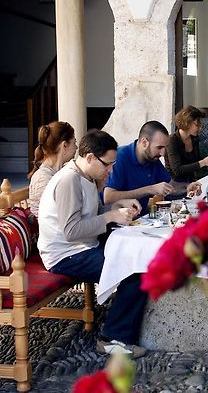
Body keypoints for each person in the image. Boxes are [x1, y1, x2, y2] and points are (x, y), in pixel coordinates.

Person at [37, 129, 147, 358]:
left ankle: (122, 327)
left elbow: (92, 214)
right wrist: (109, 217)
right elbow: (72, 231)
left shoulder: (86, 176)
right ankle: (112, 338)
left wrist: (117, 207)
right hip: (64, 255)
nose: (111, 170)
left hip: (83, 245)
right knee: (133, 273)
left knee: (135, 251)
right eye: (108, 164)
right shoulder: (69, 180)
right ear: (89, 158)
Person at [103, 120, 200, 212]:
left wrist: (187, 187)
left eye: (165, 148)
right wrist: (149, 189)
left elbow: (169, 186)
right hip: (120, 224)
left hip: (144, 220)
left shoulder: (152, 159)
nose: (162, 153)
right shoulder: (120, 157)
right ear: (144, 142)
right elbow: (108, 197)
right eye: (159, 147)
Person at [164, 106, 208, 191]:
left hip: (192, 184)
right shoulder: (172, 140)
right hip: (174, 187)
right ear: (187, 123)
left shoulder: (194, 139)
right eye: (197, 124)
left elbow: (197, 162)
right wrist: (203, 162)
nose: (200, 128)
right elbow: (177, 170)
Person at [28, 121, 77, 218]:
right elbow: (56, 215)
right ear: (64, 145)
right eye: (74, 142)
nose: (76, 147)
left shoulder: (60, 171)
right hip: (50, 230)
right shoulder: (42, 178)